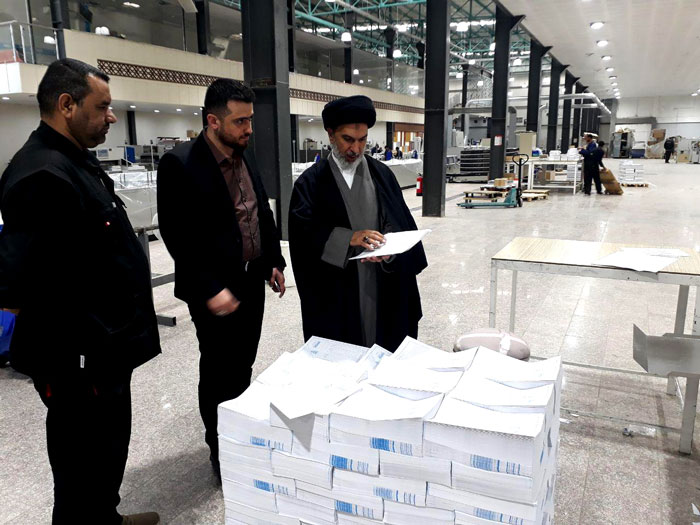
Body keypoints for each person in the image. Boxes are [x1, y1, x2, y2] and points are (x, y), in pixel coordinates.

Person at [0, 59, 161, 524]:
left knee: (106, 453)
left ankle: (106, 518)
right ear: (67, 104)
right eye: (102, 106)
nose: (111, 116)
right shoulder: (41, 176)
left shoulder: (74, 161)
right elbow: (24, 284)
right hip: (78, 360)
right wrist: (92, 350)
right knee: (80, 465)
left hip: (103, 351)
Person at [157, 78, 286, 478]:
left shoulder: (245, 154)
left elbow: (260, 213)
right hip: (214, 290)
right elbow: (177, 236)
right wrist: (210, 288)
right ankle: (220, 451)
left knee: (243, 364)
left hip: (250, 280)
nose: (249, 128)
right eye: (240, 121)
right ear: (213, 121)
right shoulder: (181, 164)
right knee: (218, 371)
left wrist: (274, 261)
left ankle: (241, 436)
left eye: (250, 119)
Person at [289, 95, 427, 352]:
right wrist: (347, 238)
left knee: (386, 348)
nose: (355, 148)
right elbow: (302, 236)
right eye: (348, 139)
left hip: (382, 282)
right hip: (337, 291)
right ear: (331, 135)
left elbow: (398, 221)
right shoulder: (311, 183)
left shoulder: (381, 174)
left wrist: (387, 250)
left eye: (362, 140)